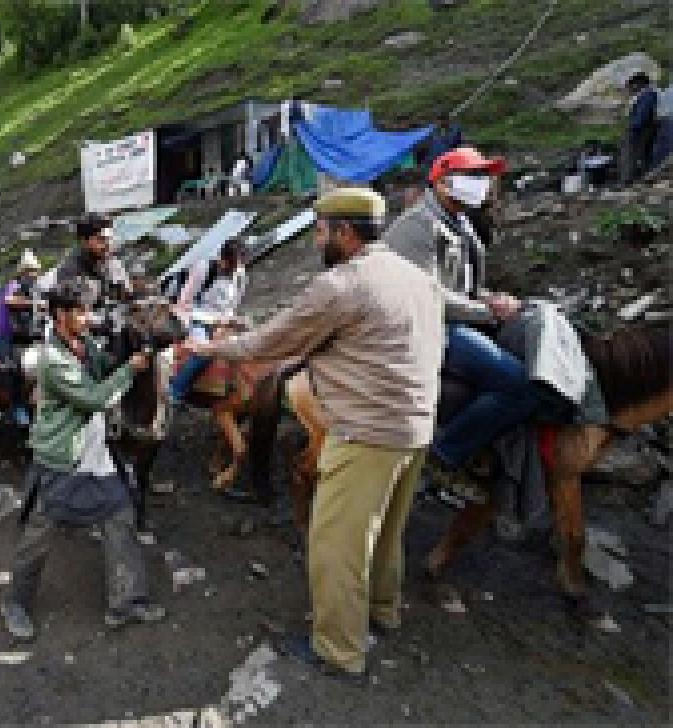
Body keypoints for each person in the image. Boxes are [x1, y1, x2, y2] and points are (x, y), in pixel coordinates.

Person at [187, 187, 443, 680]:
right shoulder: (416, 276)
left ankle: (340, 650)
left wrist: (208, 349)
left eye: (320, 232)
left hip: (365, 430)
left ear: (345, 233)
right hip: (414, 426)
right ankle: (382, 612)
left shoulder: (341, 285)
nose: (316, 241)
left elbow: (274, 339)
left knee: (336, 543)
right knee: (388, 530)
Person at [1, 281, 165, 642]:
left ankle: (125, 603)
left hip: (93, 451)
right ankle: (15, 603)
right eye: (81, 312)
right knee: (39, 534)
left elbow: (105, 366)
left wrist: (129, 347)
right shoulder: (54, 359)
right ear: (61, 315)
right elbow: (95, 398)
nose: (88, 318)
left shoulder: (83, 343)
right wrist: (130, 371)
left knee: (119, 516)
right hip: (61, 457)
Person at [381, 147, 535, 477]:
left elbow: (463, 287)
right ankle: (444, 455)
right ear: (441, 183)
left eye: (482, 177)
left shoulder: (460, 222)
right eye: (472, 176)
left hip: (452, 316)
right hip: (424, 326)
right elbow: (426, 295)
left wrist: (494, 299)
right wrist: (486, 312)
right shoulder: (417, 226)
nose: (481, 184)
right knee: (517, 384)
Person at [167, 238, 248, 405]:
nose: (234, 272)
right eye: (231, 266)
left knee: (247, 344)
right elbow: (184, 303)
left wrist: (225, 323)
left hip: (222, 321)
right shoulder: (204, 268)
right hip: (195, 318)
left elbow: (233, 305)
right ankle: (175, 392)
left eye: (238, 267)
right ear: (223, 259)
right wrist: (198, 328)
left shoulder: (240, 275)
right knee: (204, 353)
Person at [0, 250, 43, 426]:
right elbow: (10, 301)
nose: (34, 275)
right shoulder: (14, 285)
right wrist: (35, 304)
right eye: (30, 271)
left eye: (35, 271)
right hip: (2, 335)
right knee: (12, 368)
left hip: (21, 337)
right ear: (23, 272)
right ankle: (16, 407)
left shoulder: (31, 290)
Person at [37, 215, 131, 309]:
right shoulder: (70, 269)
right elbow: (72, 310)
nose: (107, 244)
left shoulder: (112, 262)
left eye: (109, 239)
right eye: (101, 239)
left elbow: (127, 294)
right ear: (84, 242)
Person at [621, 72, 660, 183]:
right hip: (647, 128)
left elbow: (642, 115)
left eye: (633, 84)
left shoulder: (647, 95)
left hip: (640, 130)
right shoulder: (648, 94)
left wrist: (632, 126)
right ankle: (644, 178)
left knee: (629, 154)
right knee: (644, 155)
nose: (632, 87)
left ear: (639, 83)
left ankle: (627, 180)